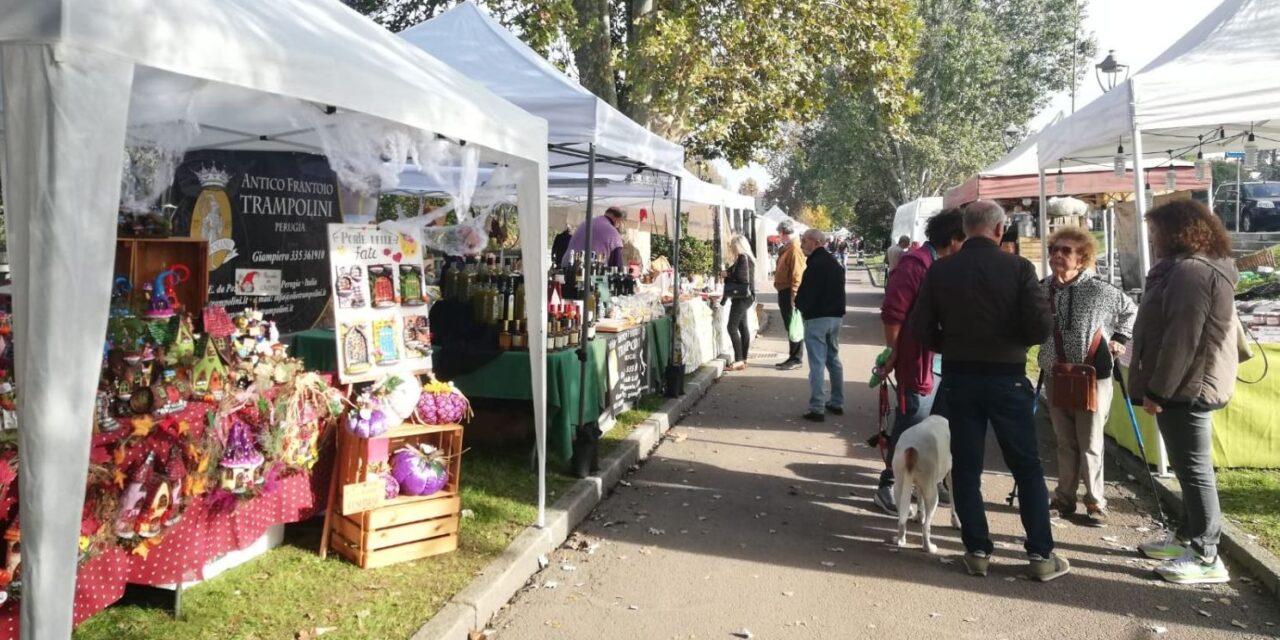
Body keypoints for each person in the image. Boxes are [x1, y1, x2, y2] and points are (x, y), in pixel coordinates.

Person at [908, 200, 1068, 582]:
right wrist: (1012, 341)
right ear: (999, 229)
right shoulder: (1019, 268)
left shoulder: (942, 270)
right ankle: (1040, 554)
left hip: (960, 376)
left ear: (965, 228)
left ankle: (977, 550)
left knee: (966, 467)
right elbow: (1040, 327)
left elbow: (921, 326)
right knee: (1026, 466)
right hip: (1007, 375)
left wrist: (951, 344)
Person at [1130, 200, 1239, 585]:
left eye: (1156, 232)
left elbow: (1182, 338)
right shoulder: (1187, 269)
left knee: (1194, 470)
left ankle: (1207, 555)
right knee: (1187, 467)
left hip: (1187, 387)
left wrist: (1158, 390)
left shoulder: (1191, 272)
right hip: (1187, 383)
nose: (1152, 239)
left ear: (1178, 232)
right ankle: (1187, 539)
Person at [1038, 226, 1136, 527]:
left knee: (1090, 442)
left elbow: (1130, 310)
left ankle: (1095, 502)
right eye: (1054, 250)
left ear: (1082, 258)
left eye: (1065, 251)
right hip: (1055, 374)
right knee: (1064, 441)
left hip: (1092, 376)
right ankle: (1064, 498)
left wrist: (1119, 338)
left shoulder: (1099, 289)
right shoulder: (1041, 289)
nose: (1057, 255)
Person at [873, 208, 966, 515]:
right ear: (954, 239)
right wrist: (893, 352)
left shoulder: (947, 265)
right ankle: (889, 483)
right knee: (910, 426)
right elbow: (893, 314)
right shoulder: (915, 265)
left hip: (944, 363)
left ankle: (930, 479)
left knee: (938, 428)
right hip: (920, 363)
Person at [794, 229, 845, 422]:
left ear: (815, 242)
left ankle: (817, 407)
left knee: (817, 363)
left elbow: (806, 294)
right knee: (833, 359)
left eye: (804, 240)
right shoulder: (834, 263)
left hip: (817, 318)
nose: (802, 245)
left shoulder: (815, 265)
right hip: (835, 317)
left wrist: (799, 305)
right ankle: (837, 402)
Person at [773, 221, 807, 370]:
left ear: (783, 233)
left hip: (789, 292)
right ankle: (793, 356)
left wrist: (794, 295)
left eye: (779, 234)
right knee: (791, 325)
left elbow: (797, 274)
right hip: (785, 290)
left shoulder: (794, 248)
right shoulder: (789, 247)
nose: (779, 236)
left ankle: (796, 358)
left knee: (794, 325)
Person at [722, 234, 755, 371]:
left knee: (732, 327)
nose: (731, 248)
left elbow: (741, 278)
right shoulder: (747, 258)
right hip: (746, 296)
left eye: (733, 245)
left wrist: (728, 274)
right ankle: (743, 359)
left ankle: (739, 360)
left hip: (742, 297)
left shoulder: (742, 258)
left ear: (738, 246)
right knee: (742, 327)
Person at [561, 207, 626, 269]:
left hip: (567, 265)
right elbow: (617, 263)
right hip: (589, 270)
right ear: (617, 220)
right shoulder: (613, 232)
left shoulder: (585, 223)